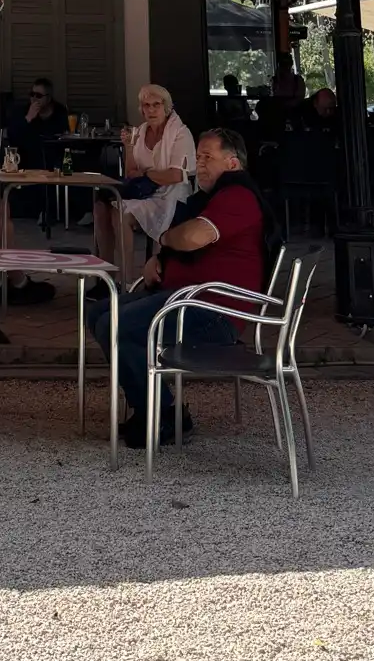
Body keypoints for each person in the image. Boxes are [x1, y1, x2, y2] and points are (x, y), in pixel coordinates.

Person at [89, 126, 275, 449]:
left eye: (208, 158)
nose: (200, 164)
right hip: (184, 298)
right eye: (198, 157)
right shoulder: (211, 197)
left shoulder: (239, 196)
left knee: (115, 324)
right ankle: (155, 409)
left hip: (215, 312)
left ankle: (162, 415)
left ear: (233, 164)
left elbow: (192, 237)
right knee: (98, 312)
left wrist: (162, 239)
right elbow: (183, 240)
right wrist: (160, 258)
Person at [93, 84, 196, 281]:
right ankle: (105, 277)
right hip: (144, 193)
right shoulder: (140, 131)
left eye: (156, 105)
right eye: (146, 105)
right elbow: (131, 173)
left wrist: (147, 173)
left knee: (119, 211)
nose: (151, 110)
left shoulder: (181, 133)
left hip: (172, 196)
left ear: (166, 107)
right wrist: (129, 147)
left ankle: (125, 280)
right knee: (102, 207)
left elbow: (176, 175)